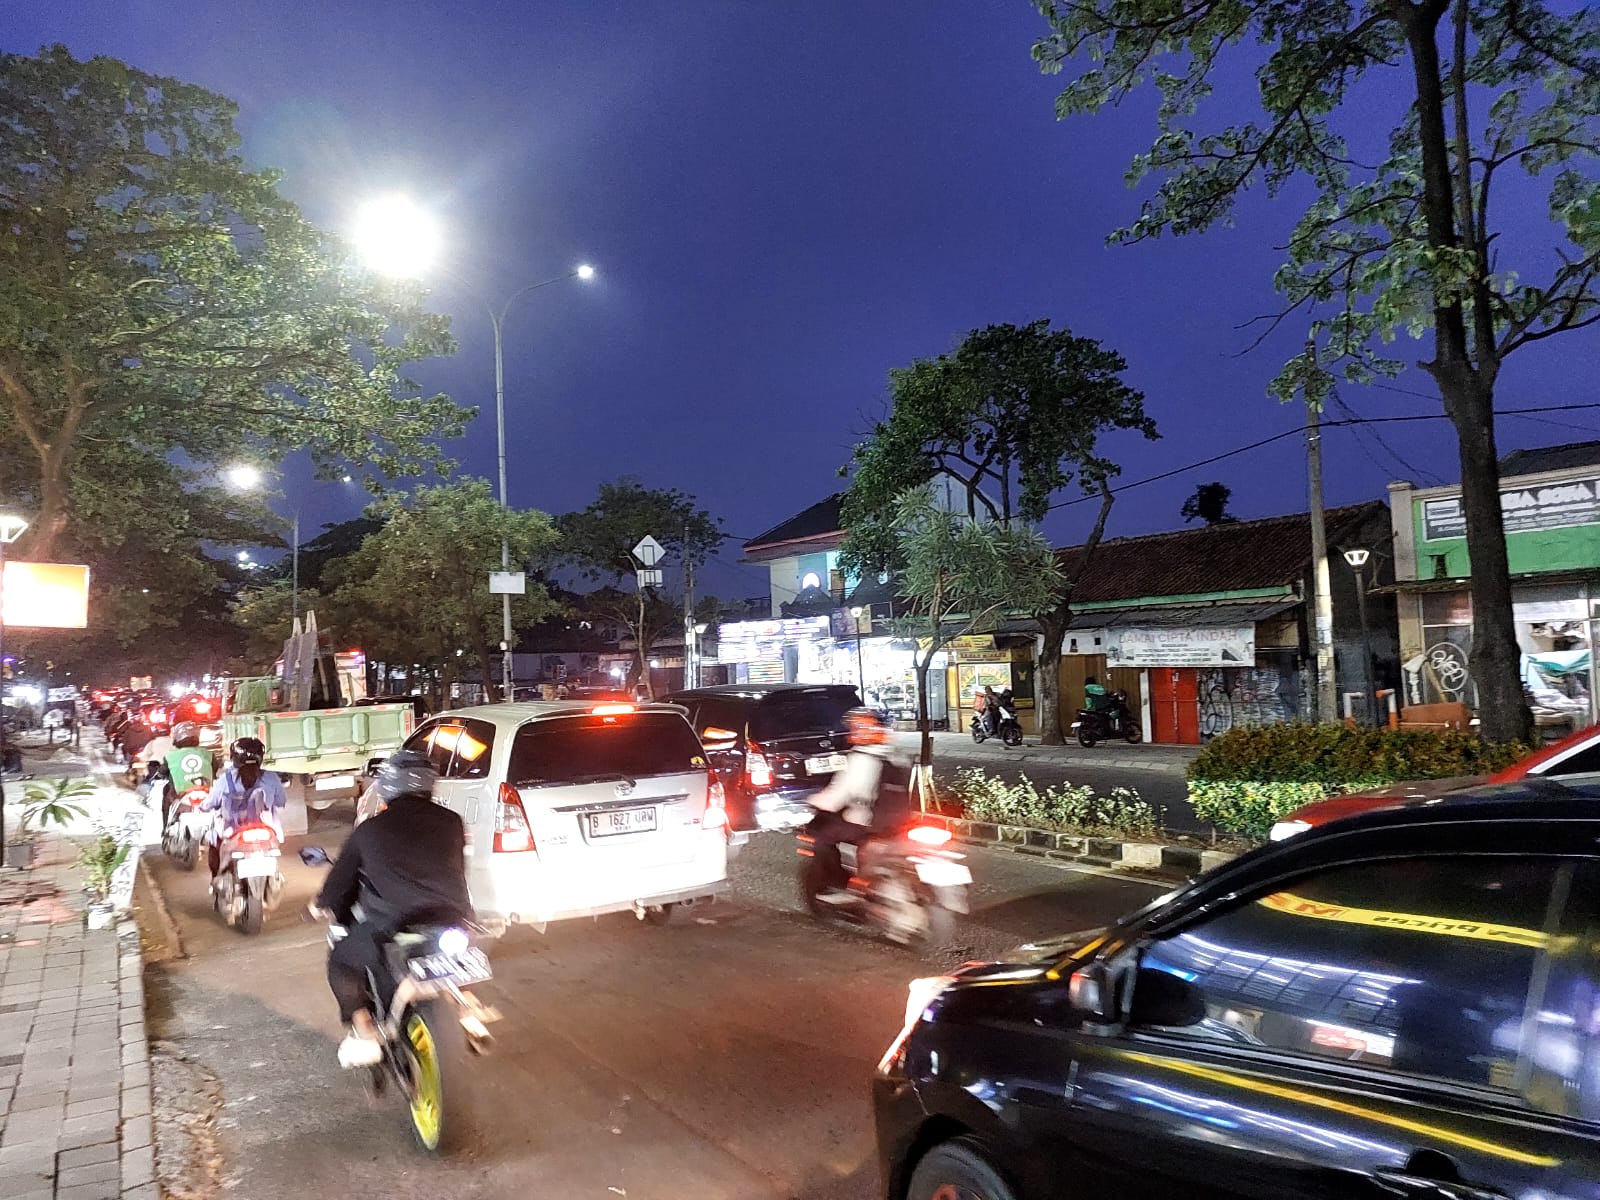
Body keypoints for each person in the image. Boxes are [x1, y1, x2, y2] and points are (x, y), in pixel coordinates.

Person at [307, 749, 473, 1068]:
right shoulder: (452, 822)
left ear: (388, 785)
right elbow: (456, 871)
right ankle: (465, 1008)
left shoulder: (369, 830)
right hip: (451, 921)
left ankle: (366, 1030)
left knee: (341, 963)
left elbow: (340, 883)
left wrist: (321, 904)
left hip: (395, 925)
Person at [807, 707, 916, 902]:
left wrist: (812, 801)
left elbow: (836, 796)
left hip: (867, 823)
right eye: (856, 726)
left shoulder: (860, 758)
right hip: (900, 823)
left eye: (861, 726)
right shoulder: (898, 756)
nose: (857, 731)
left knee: (823, 838)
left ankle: (839, 886)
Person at [200, 737, 287, 881]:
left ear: (235, 758)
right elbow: (280, 801)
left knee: (214, 839)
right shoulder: (271, 778)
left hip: (233, 830)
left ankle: (216, 880)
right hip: (266, 829)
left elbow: (210, 803)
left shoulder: (225, 779)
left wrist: (203, 806)